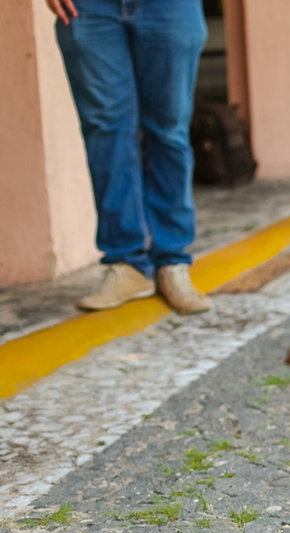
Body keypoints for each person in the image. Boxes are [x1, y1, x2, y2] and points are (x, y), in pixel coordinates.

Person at [47, 0, 212, 314]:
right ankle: (126, 264)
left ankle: (172, 261)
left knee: (169, 131)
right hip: (89, 7)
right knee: (105, 130)